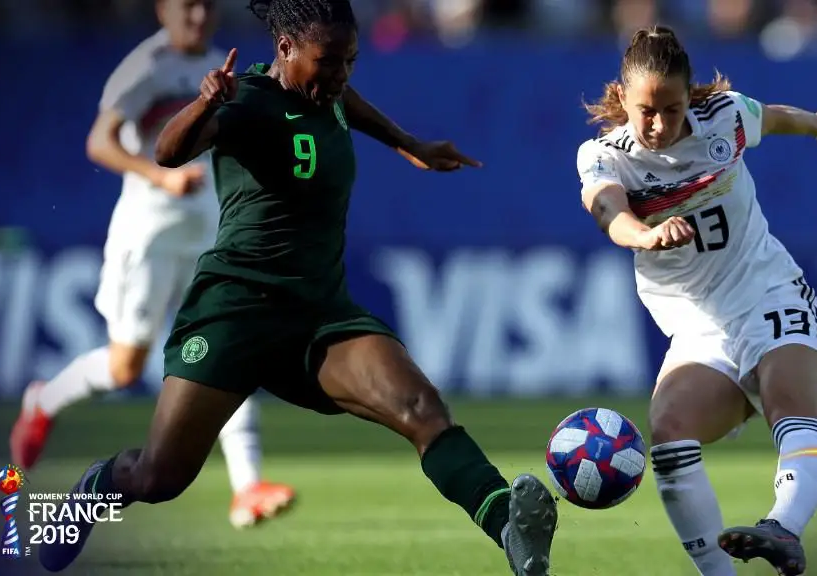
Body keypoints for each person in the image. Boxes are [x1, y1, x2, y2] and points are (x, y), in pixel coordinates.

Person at [37, 0, 558, 574]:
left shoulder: (326, 92)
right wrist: (207, 101)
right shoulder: (249, 99)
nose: (340, 75)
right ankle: (93, 489)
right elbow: (167, 151)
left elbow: (347, 103)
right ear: (285, 49)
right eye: (328, 61)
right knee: (159, 477)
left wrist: (408, 142)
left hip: (318, 314)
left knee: (421, 408)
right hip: (235, 312)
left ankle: (508, 526)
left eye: (350, 61)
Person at [9, 0, 295, 530]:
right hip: (149, 235)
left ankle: (248, 486)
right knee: (125, 368)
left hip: (206, 232)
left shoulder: (218, 65)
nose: (199, 16)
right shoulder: (145, 68)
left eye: (207, 6)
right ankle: (44, 401)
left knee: (227, 346)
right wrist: (160, 175)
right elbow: (100, 142)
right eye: (187, 6)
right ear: (164, 10)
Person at [576, 26, 817, 576]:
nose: (659, 124)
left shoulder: (725, 116)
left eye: (672, 109)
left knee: (789, 405)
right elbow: (607, 210)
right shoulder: (604, 156)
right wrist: (645, 234)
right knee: (669, 432)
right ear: (623, 98)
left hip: (766, 291)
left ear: (689, 97)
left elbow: (775, 117)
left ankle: (783, 528)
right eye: (646, 111)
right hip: (699, 328)